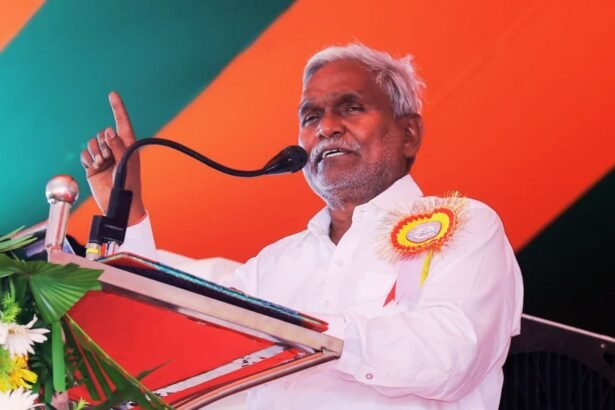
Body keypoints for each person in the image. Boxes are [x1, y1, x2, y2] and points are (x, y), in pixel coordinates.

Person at [81, 44, 523, 409]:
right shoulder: (272, 266)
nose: (327, 127)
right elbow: (169, 341)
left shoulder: (466, 225)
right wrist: (128, 211)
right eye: (311, 117)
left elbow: (450, 357)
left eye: (351, 108)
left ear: (408, 134)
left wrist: (295, 331)